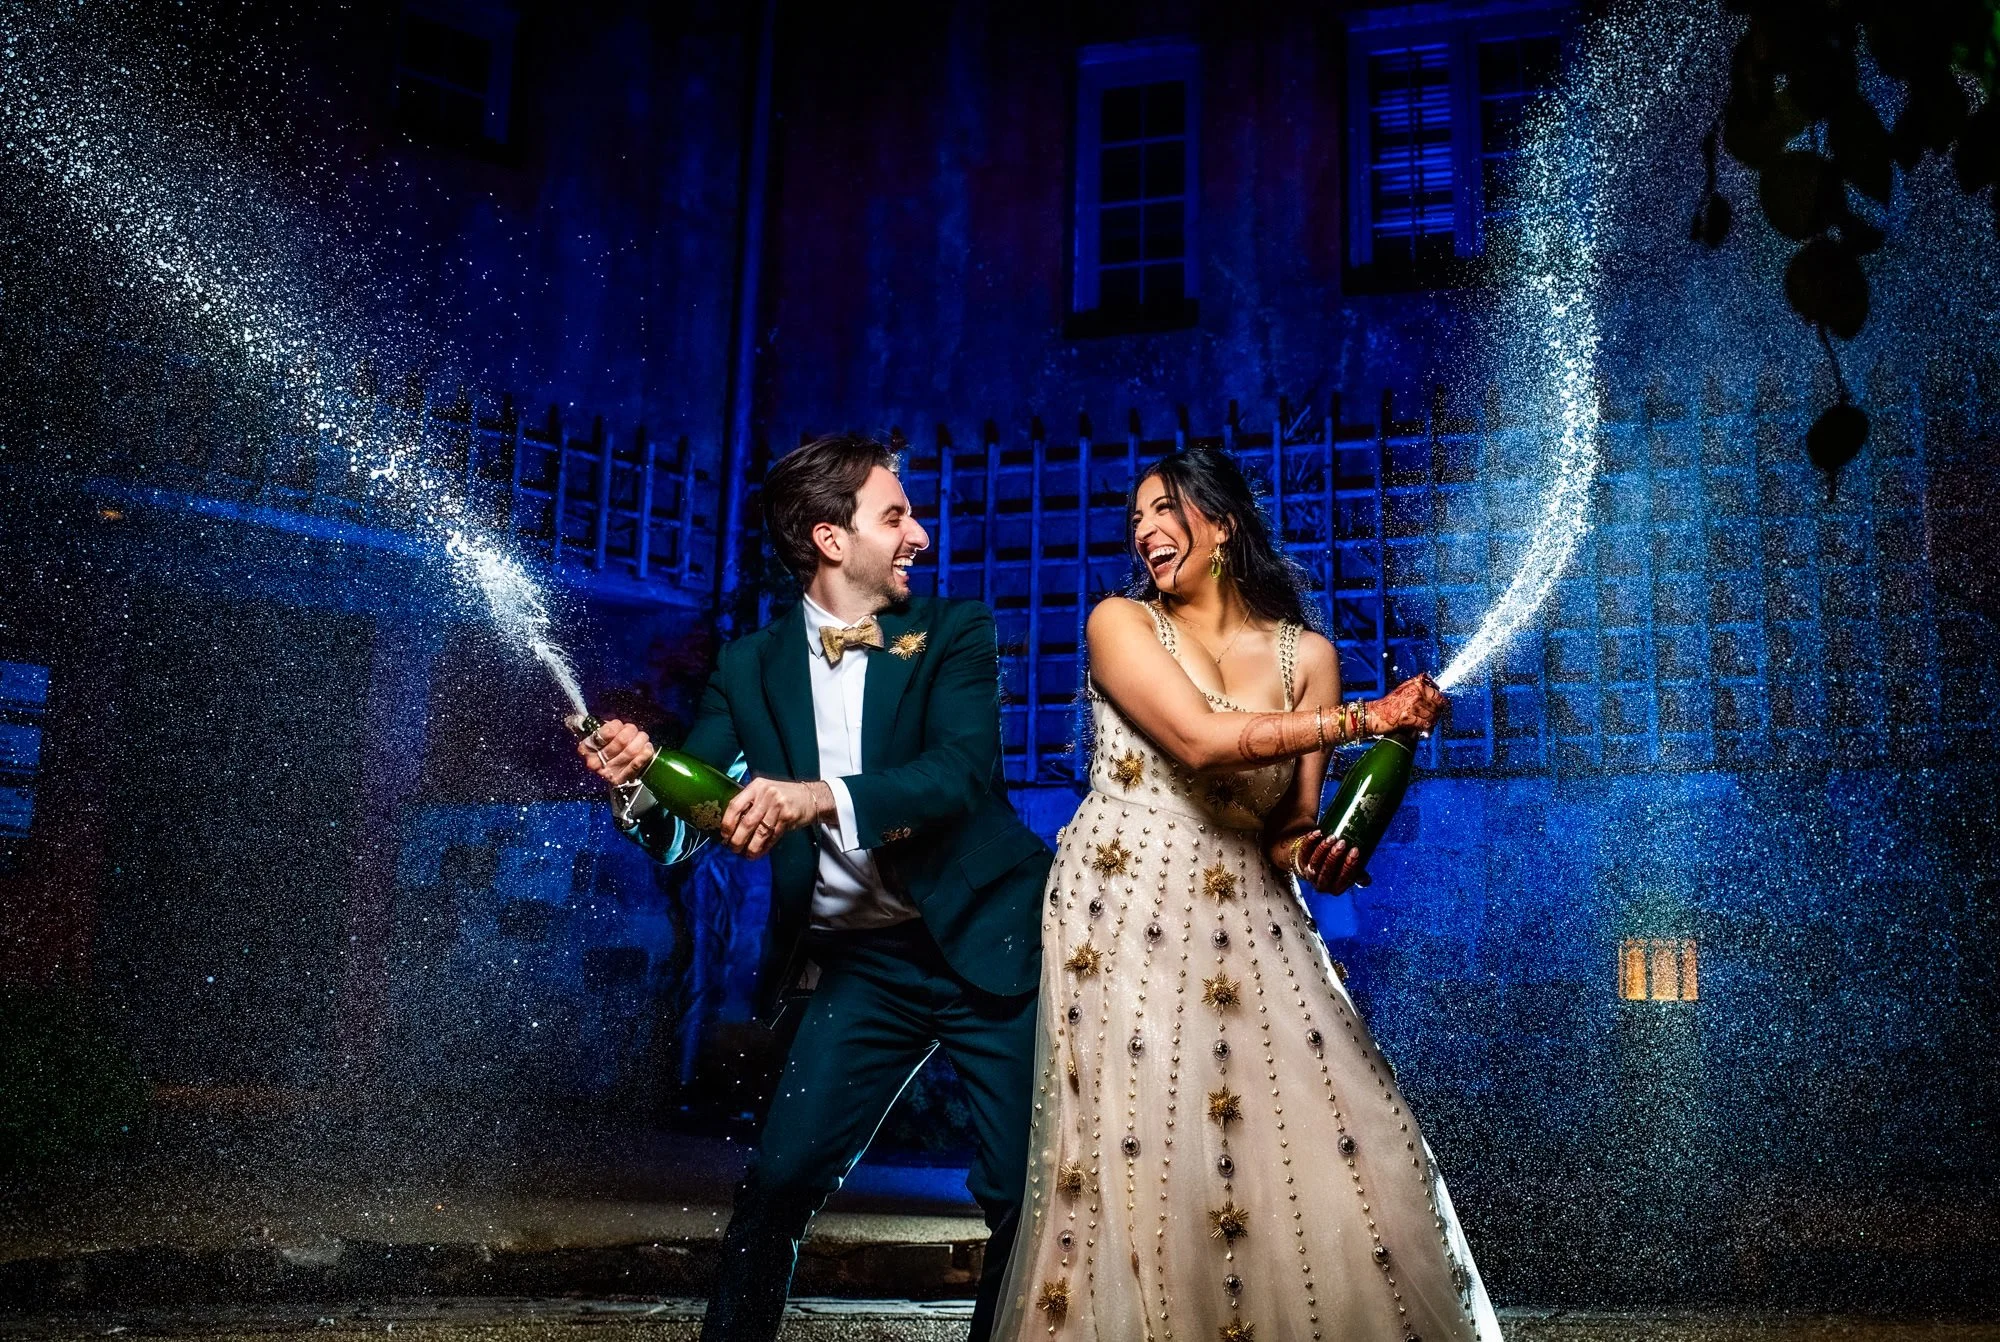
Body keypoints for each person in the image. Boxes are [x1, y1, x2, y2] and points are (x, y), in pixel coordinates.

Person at [991, 447, 1501, 1342]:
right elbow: (1198, 740)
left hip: (1253, 916)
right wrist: (1370, 718)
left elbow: (1288, 825)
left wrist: (1319, 856)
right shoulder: (1120, 623)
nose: (1145, 530)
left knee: (1348, 1140)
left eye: (1164, 509)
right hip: (1122, 910)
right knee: (1149, 1155)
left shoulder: (1310, 657)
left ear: (1221, 525)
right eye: (1136, 518)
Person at [579, 433, 1052, 1342]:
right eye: (896, 515)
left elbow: (957, 777)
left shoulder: (956, 631)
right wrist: (640, 781)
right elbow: (691, 824)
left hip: (988, 942)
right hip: (861, 966)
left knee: (1020, 1191)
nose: (920, 535)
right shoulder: (748, 666)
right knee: (779, 1179)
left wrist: (816, 797)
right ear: (832, 539)